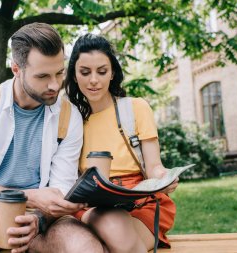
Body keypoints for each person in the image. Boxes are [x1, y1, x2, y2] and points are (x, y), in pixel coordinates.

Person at [0, 23, 106, 253]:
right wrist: (28, 197)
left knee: (84, 246)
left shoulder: (69, 117)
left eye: (60, 73)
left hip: (42, 219)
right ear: (16, 69)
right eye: (42, 76)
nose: (55, 85)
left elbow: (61, 188)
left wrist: (39, 219)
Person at [65, 34, 178, 253]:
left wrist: (164, 177)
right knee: (110, 223)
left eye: (102, 71)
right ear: (75, 76)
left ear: (113, 73)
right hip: (93, 205)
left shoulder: (135, 108)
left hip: (139, 201)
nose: (94, 80)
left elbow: (154, 166)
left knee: (114, 238)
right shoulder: (71, 121)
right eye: (85, 72)